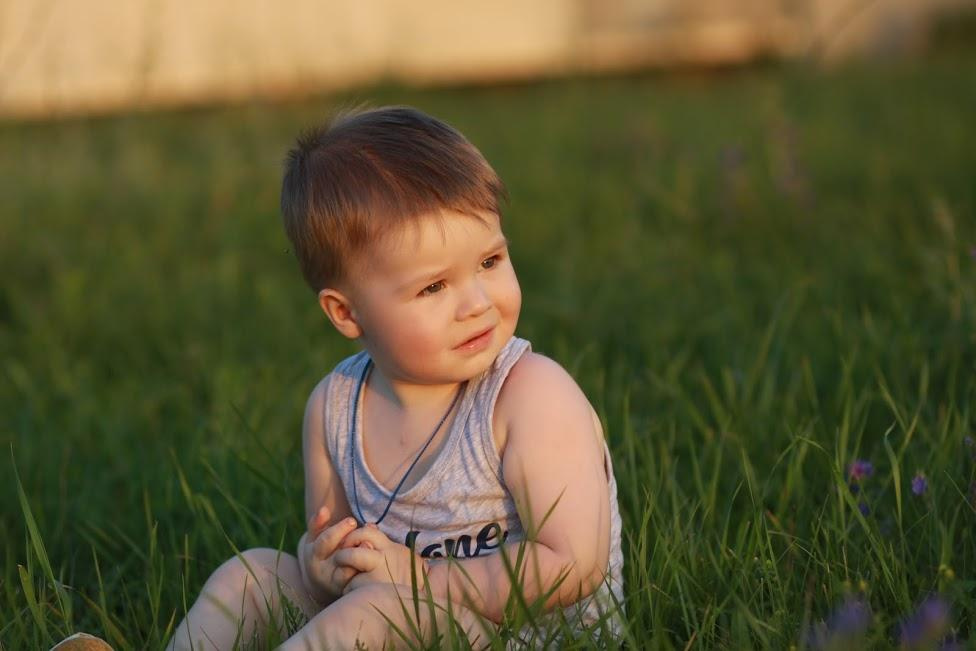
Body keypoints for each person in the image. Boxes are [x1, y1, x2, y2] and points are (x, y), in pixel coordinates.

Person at [166, 106, 624, 649]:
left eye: (490, 261)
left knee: (382, 611)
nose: (476, 303)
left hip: (529, 638)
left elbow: (573, 563)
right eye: (433, 288)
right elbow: (332, 550)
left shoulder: (531, 396)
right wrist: (322, 568)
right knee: (251, 576)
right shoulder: (335, 409)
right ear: (346, 313)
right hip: (395, 614)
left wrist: (423, 581)